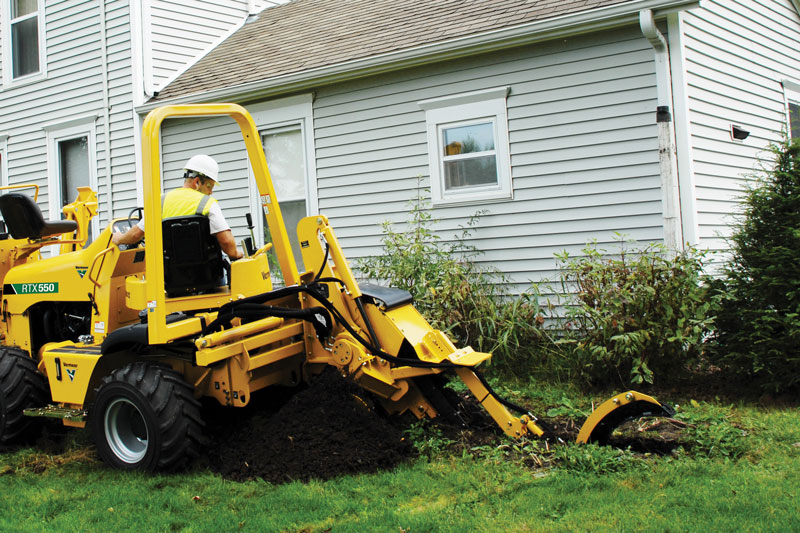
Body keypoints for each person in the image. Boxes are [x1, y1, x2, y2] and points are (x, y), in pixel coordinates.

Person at [112, 154, 243, 260]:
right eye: (209, 186)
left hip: (170, 281)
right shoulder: (208, 204)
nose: (211, 192)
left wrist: (119, 238)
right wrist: (236, 254)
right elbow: (226, 243)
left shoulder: (161, 202)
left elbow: (135, 235)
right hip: (209, 278)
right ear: (197, 182)